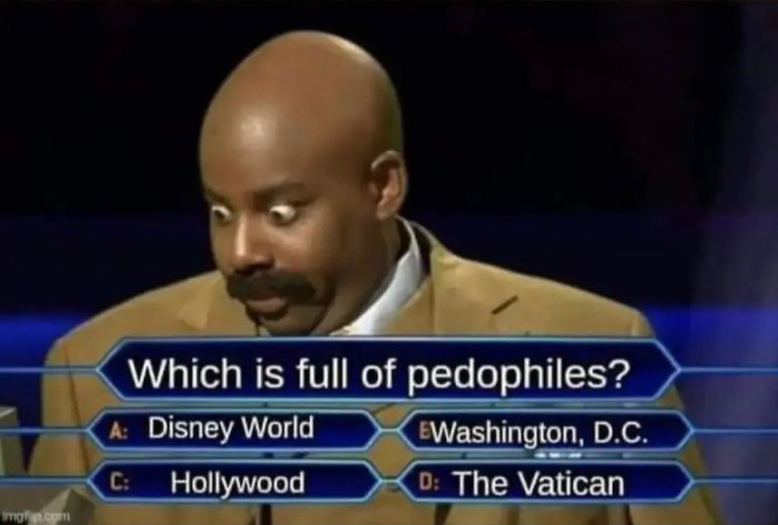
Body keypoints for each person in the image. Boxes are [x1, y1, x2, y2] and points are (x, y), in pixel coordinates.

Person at [29, 31, 720, 525]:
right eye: (219, 212)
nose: (239, 252)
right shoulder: (92, 376)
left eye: (280, 212)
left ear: (383, 187)